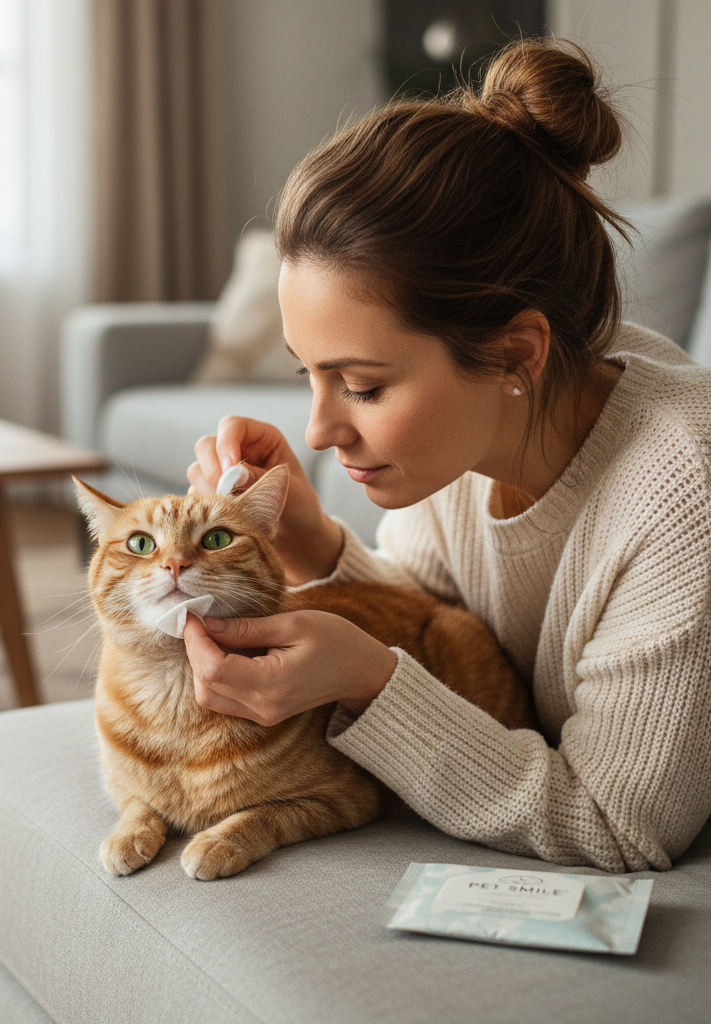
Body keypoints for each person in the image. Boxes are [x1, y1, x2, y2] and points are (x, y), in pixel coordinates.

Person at [181, 38, 711, 873]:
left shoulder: (685, 491)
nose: (318, 432)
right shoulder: (467, 431)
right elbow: (441, 614)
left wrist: (369, 682)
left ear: (516, 356)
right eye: (308, 375)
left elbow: (618, 824)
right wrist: (313, 544)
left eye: (359, 384)